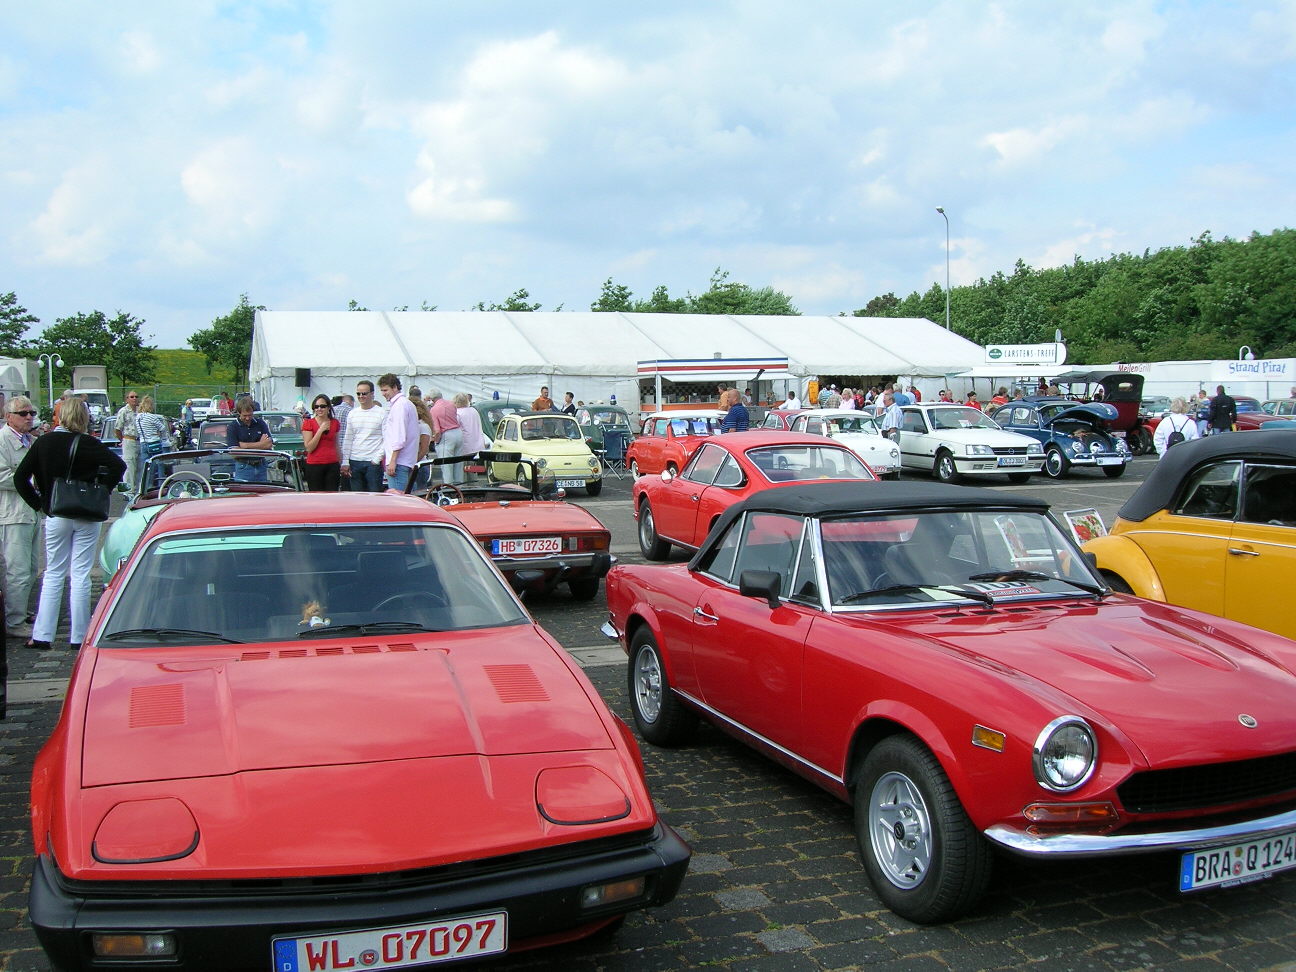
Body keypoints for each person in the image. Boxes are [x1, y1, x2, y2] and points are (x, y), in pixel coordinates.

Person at [15, 398, 125, 651]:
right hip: (86, 513)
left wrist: (40, 504)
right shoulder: (89, 443)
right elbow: (118, 465)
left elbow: (21, 478)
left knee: (53, 572)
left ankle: (43, 634)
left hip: (56, 513)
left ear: (61, 416)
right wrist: (102, 488)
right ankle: (79, 635)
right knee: (80, 574)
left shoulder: (44, 442)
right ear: (84, 417)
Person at [0, 396, 41, 641]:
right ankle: (13, 621)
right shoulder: (2, 440)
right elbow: (3, 476)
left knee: (31, 567)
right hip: (12, 513)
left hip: (31, 511)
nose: (29, 417)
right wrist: (32, 481)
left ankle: (20, 610)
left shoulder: (32, 440)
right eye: (23, 413)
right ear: (9, 416)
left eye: (32, 412)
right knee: (17, 569)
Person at [341, 381, 385, 491]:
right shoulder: (352, 413)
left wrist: (377, 458)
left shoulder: (382, 413)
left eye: (364, 393)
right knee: (357, 499)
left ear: (372, 394)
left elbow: (388, 439)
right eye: (358, 394)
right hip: (354, 461)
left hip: (372, 462)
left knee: (375, 497)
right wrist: (345, 461)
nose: (361, 396)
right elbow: (348, 438)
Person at [378, 373, 419, 492]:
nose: (383, 393)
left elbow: (399, 436)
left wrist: (392, 461)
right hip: (406, 461)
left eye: (385, 390)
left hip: (399, 462)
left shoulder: (399, 406)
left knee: (399, 501)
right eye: (382, 390)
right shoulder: (406, 404)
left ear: (395, 387)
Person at [225, 397, 273, 482]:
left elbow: (268, 445)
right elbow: (235, 453)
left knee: (264, 494)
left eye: (250, 415)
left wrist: (244, 446)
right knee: (244, 494)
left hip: (261, 466)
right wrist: (261, 444)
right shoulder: (233, 427)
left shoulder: (260, 423)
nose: (247, 418)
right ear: (239, 413)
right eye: (244, 416)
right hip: (243, 467)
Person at [301, 394, 341, 491]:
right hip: (315, 464)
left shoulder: (335, 423)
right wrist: (320, 430)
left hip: (332, 464)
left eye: (322, 406)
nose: (319, 409)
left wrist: (341, 462)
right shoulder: (308, 423)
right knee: (316, 496)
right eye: (316, 407)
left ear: (328, 408)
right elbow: (309, 448)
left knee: (332, 495)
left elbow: (336, 444)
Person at [428, 388, 464, 485]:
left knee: (446, 464)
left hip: (446, 435)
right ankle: (459, 485)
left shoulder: (434, 409)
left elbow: (437, 430)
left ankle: (449, 486)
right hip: (458, 432)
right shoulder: (451, 404)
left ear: (432, 399)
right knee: (458, 462)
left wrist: (436, 441)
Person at [135, 396, 171, 491]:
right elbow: (162, 428)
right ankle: (161, 484)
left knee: (146, 466)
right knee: (159, 463)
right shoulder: (152, 417)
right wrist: (162, 436)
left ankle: (146, 486)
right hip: (154, 442)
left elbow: (138, 430)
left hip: (143, 443)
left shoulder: (138, 417)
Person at [113, 390, 141, 493]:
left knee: (140, 467)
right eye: (132, 397)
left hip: (140, 441)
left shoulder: (140, 411)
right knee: (129, 466)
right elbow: (117, 429)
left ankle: (138, 491)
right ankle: (127, 492)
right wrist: (123, 440)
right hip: (129, 440)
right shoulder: (123, 411)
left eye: (136, 396)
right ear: (127, 399)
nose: (134, 398)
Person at [411, 395, 434, 491]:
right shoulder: (417, 424)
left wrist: (413, 462)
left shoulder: (423, 426)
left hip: (419, 466)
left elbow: (424, 449)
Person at [455, 393, 486, 458]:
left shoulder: (457, 413)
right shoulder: (474, 410)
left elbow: (456, 430)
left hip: (466, 447)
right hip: (479, 445)